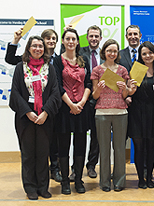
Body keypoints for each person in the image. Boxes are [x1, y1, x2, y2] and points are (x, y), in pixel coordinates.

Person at [5, 28, 62, 182]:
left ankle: (43, 187)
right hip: (26, 117)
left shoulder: (49, 66)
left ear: (44, 49)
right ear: (28, 48)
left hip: (45, 116)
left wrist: (46, 112)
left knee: (44, 154)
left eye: (40, 46)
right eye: (34, 46)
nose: (38, 49)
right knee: (28, 154)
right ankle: (30, 186)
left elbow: (55, 92)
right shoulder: (21, 66)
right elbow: (16, 93)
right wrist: (28, 112)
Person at [91, 39, 136, 192]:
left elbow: (125, 95)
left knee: (119, 149)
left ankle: (119, 181)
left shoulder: (123, 70)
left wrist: (125, 88)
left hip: (120, 112)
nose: (112, 53)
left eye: (115, 51)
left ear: (117, 54)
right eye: (109, 50)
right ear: (104, 52)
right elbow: (95, 96)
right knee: (104, 149)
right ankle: (104, 182)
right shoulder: (97, 70)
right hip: (102, 113)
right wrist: (99, 88)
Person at [53, 28, 92, 195]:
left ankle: (78, 179)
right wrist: (70, 105)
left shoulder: (83, 60)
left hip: (82, 108)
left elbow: (89, 83)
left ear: (77, 42)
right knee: (63, 147)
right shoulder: (57, 61)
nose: (70, 41)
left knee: (80, 145)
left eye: (73, 39)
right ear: (63, 41)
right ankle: (65, 181)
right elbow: (57, 85)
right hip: (64, 109)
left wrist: (82, 102)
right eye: (67, 38)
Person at [128, 41, 154, 189]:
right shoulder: (136, 69)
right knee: (139, 147)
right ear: (140, 55)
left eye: (150, 53)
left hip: (153, 111)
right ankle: (140, 179)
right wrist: (129, 90)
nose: (147, 56)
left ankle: (149, 177)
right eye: (144, 53)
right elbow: (130, 92)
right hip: (137, 112)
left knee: (151, 147)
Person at [69, 25, 104, 181]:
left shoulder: (105, 54)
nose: (94, 39)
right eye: (91, 36)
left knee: (96, 136)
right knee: (80, 136)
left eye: (96, 36)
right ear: (86, 38)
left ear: (100, 38)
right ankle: (76, 169)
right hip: (82, 101)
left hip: (101, 101)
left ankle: (91, 165)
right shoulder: (79, 53)